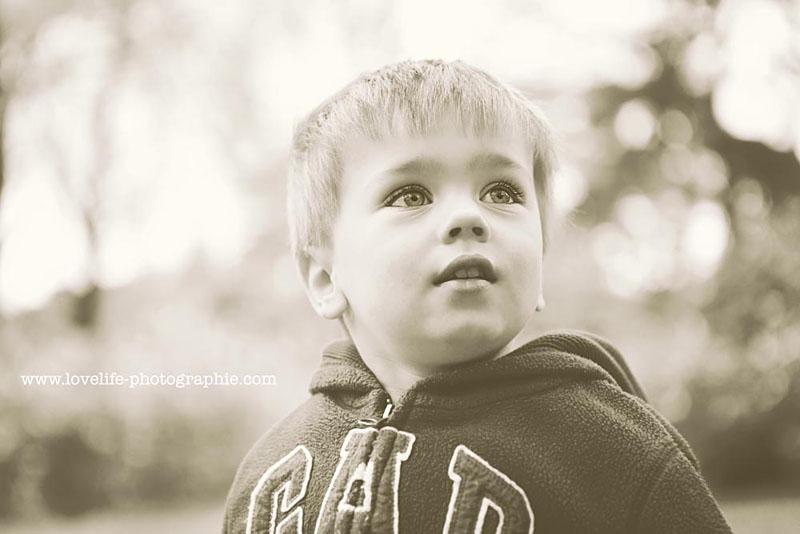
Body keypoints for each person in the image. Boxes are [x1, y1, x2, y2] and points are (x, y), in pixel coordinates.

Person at [222, 59, 732, 533]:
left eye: (502, 192)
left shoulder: (614, 453)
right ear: (325, 279)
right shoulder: (272, 472)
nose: (469, 216)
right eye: (411, 195)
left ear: (541, 260)